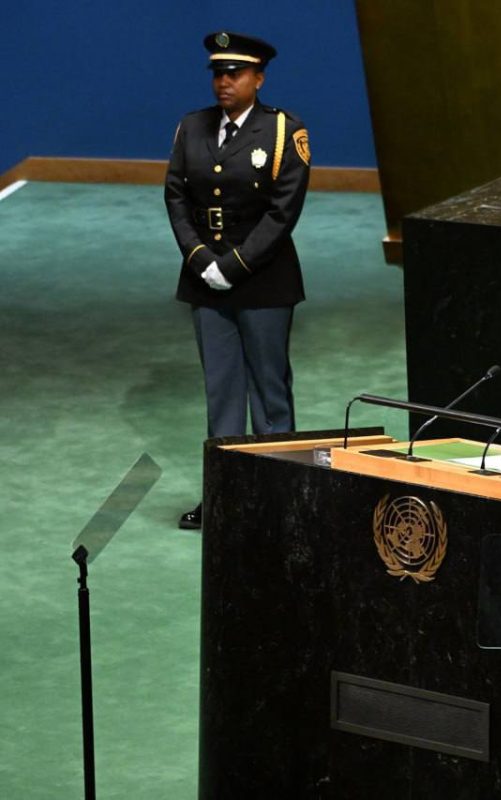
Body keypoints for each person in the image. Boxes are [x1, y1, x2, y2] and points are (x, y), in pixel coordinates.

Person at [165, 31, 311, 530]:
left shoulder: (282, 132)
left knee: (269, 394)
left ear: (259, 78)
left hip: (264, 281)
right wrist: (200, 256)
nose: (224, 82)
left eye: (235, 73)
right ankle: (226, 499)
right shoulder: (192, 128)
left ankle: (278, 502)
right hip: (205, 281)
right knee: (222, 394)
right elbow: (177, 197)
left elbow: (282, 212)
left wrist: (233, 265)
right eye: (218, 74)